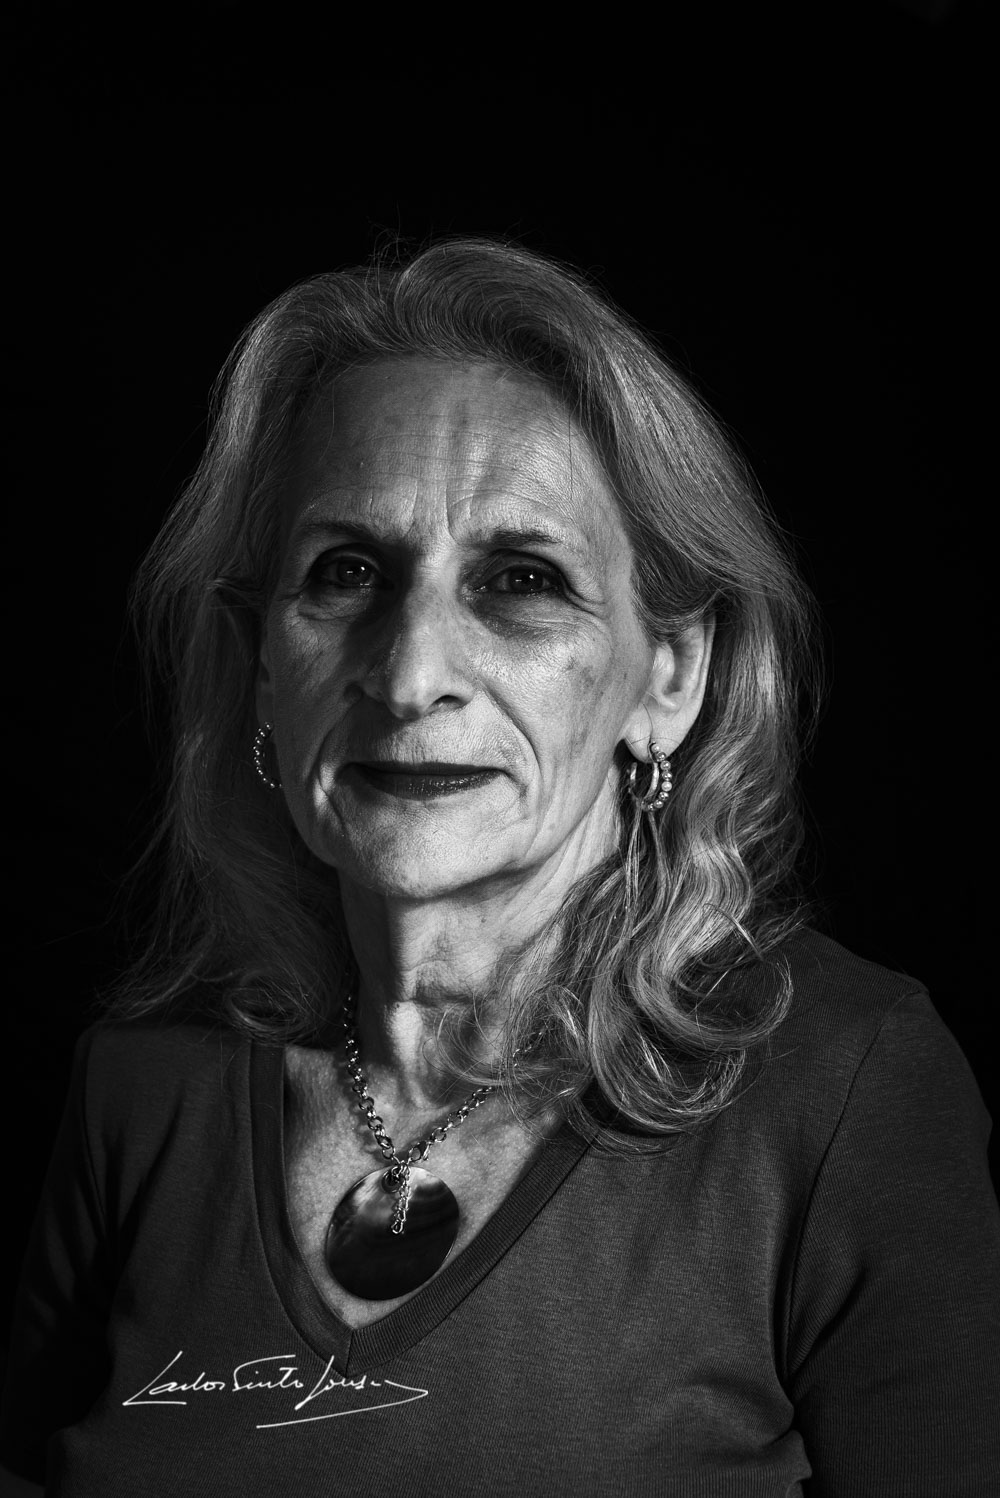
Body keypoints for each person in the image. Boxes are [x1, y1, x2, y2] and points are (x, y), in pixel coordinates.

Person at [1, 238, 997, 1497]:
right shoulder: (140, 1090)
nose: (411, 673)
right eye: (345, 573)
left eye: (522, 580)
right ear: (261, 663)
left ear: (669, 675)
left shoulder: (846, 1090)